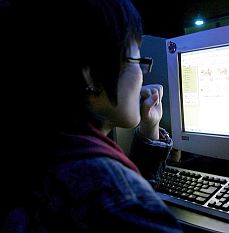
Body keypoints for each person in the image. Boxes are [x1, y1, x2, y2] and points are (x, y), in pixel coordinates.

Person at [0, 0, 183, 232]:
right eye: (137, 61)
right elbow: (117, 197)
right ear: (92, 77)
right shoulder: (113, 195)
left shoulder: (42, 153)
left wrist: (150, 128)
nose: (142, 76)